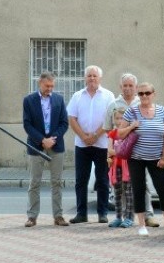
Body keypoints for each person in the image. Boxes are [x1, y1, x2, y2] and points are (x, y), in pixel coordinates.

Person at [120, 82, 164, 236]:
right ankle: (141, 225)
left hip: (157, 158)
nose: (144, 96)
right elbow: (119, 133)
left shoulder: (161, 111)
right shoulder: (131, 111)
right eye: (140, 94)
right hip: (136, 158)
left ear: (153, 94)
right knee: (138, 190)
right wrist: (131, 126)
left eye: (147, 93)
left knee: (163, 190)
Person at [105, 73, 159, 227]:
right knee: (121, 186)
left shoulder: (142, 102)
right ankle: (123, 216)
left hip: (139, 151)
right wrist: (109, 153)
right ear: (120, 87)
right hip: (119, 155)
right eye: (125, 85)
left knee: (143, 184)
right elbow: (108, 129)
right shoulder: (113, 104)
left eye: (131, 86)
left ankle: (148, 215)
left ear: (136, 88)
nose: (128, 88)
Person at [67, 65, 115, 224]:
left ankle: (103, 213)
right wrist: (83, 136)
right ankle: (81, 213)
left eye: (95, 76)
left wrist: (95, 135)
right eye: (89, 76)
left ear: (100, 78)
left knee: (102, 180)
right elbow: (72, 118)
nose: (92, 78)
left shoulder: (108, 96)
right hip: (82, 145)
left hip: (101, 144)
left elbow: (111, 119)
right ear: (85, 78)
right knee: (81, 180)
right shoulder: (77, 96)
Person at [22, 71, 70, 227]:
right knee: (34, 182)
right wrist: (42, 140)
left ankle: (58, 216)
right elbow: (27, 124)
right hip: (36, 146)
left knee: (56, 182)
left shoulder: (59, 99)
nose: (50, 88)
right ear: (39, 83)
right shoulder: (29, 100)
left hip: (56, 146)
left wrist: (52, 139)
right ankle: (32, 216)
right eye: (47, 86)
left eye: (52, 86)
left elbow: (64, 123)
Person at [107, 108, 135, 228]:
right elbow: (109, 150)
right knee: (117, 192)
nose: (119, 121)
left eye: (122, 118)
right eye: (117, 118)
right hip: (116, 167)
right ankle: (118, 217)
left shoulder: (130, 133)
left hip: (128, 167)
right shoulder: (112, 133)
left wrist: (117, 151)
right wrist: (120, 151)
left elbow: (129, 151)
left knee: (129, 193)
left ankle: (129, 218)